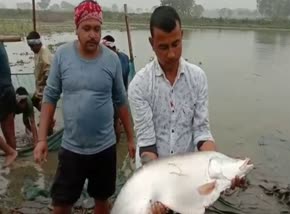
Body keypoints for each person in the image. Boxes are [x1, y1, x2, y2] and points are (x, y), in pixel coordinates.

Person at [128, 6, 245, 214]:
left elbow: (201, 131)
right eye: (163, 47)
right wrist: (156, 193)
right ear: (151, 44)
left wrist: (220, 173)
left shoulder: (197, 78)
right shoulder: (139, 85)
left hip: (190, 179)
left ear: (182, 35)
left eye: (176, 44)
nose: (172, 54)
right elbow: (147, 146)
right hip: (152, 177)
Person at [33, 0, 135, 213]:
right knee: (61, 204)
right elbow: (50, 97)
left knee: (102, 201)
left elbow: (121, 100)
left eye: (97, 29)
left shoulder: (112, 60)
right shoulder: (62, 55)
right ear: (76, 29)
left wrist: (131, 137)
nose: (93, 34)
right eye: (86, 28)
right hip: (71, 148)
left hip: (105, 148)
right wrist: (42, 139)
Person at [102, 35, 130, 144]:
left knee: (113, 123)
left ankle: (113, 144)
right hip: (122, 94)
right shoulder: (125, 57)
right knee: (117, 119)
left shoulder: (111, 60)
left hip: (112, 98)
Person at [26, 31, 55, 136]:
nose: (31, 49)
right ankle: (49, 119)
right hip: (40, 88)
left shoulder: (44, 53)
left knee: (46, 119)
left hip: (46, 89)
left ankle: (50, 129)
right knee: (33, 100)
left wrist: (44, 83)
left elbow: (50, 71)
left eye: (32, 46)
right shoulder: (37, 53)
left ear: (37, 44)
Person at [0, 42, 18, 167]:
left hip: (2, 91)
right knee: (8, 129)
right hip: (8, 90)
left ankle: (10, 152)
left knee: (8, 129)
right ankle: (12, 154)